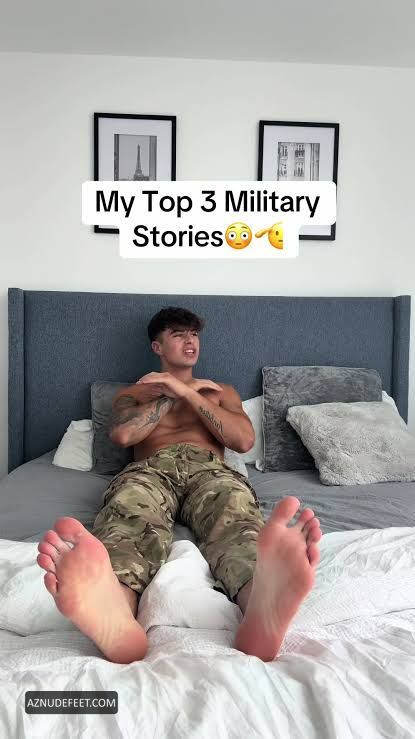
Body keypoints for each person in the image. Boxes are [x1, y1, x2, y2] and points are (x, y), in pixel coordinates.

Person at [36, 307, 322, 664]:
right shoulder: (135, 393)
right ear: (157, 347)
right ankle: (114, 610)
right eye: (178, 334)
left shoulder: (221, 392)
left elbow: (243, 440)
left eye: (194, 334)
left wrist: (190, 394)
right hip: (151, 468)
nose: (190, 341)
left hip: (209, 469)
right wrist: (170, 393)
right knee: (129, 514)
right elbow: (124, 435)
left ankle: (260, 603)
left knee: (234, 515)